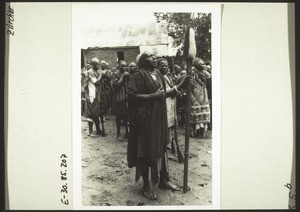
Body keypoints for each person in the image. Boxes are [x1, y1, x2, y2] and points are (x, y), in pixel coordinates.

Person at [127, 51, 181, 201]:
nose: (155, 58)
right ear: (143, 61)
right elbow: (131, 96)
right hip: (144, 121)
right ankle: (146, 185)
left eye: (155, 56)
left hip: (158, 118)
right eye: (151, 57)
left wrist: (180, 86)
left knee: (161, 147)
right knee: (144, 150)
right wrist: (152, 96)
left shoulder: (157, 74)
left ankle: (163, 180)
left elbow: (163, 94)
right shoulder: (137, 76)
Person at [83, 58, 107, 137]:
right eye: (96, 64)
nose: (97, 65)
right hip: (91, 95)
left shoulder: (98, 71)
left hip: (98, 94)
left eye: (98, 64)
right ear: (92, 64)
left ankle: (98, 129)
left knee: (98, 112)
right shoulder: (90, 72)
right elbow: (96, 82)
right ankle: (90, 131)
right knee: (91, 113)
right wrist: (101, 75)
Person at [190, 57, 211, 138]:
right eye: (201, 64)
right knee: (196, 114)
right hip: (195, 96)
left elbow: (209, 76)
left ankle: (202, 132)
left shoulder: (203, 72)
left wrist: (204, 69)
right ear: (197, 65)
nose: (204, 65)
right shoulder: (192, 72)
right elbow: (190, 84)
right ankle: (196, 132)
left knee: (204, 114)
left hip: (203, 95)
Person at [111, 60, 130, 139]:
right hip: (118, 98)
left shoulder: (127, 74)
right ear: (119, 66)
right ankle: (118, 133)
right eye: (122, 66)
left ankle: (126, 132)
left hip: (126, 98)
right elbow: (116, 85)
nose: (124, 67)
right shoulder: (115, 74)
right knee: (118, 117)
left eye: (125, 66)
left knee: (126, 117)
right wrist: (122, 77)